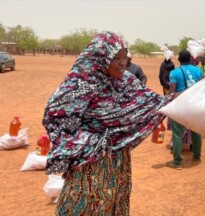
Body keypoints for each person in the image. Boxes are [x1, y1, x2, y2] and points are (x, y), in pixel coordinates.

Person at [42, 32, 174, 215]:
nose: (123, 62)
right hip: (90, 164)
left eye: (124, 57)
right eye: (116, 57)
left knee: (114, 204)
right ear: (100, 58)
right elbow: (55, 118)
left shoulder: (127, 82)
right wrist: (91, 143)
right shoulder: (81, 83)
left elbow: (156, 103)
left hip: (119, 163)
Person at [166, 50, 203, 170]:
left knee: (177, 134)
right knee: (196, 132)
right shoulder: (198, 70)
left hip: (180, 105)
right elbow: (204, 84)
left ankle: (177, 162)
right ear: (191, 59)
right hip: (195, 105)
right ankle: (197, 157)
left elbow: (172, 91)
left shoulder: (174, 73)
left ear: (179, 60)